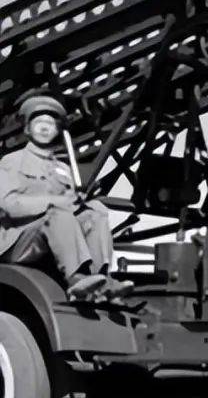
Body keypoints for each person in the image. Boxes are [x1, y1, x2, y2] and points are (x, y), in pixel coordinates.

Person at [0, 94, 132, 301]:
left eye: (50, 124)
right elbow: (9, 205)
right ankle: (76, 279)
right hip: (17, 241)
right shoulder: (12, 161)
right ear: (27, 129)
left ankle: (100, 279)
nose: (45, 128)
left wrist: (82, 202)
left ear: (57, 131)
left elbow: (72, 205)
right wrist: (56, 202)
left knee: (96, 212)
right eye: (39, 123)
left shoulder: (63, 169)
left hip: (54, 235)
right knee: (58, 214)